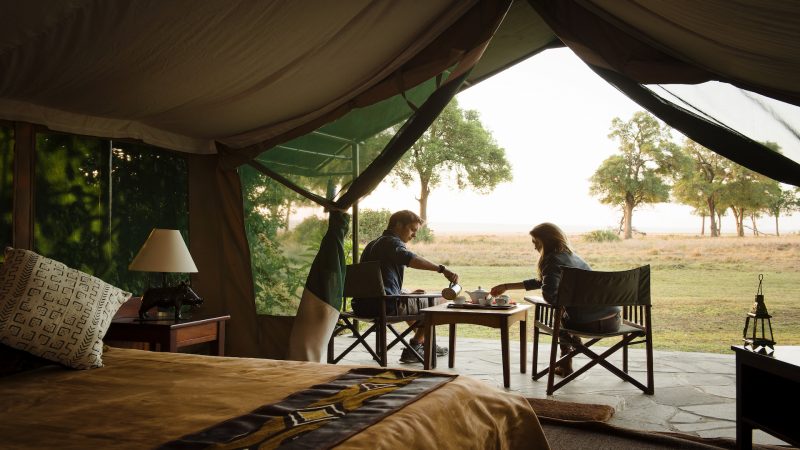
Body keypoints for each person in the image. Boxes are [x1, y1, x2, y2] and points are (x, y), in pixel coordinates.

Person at [490, 222, 620, 376]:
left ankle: (566, 361)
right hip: (613, 321)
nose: (534, 247)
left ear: (546, 241)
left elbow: (550, 295)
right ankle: (574, 345)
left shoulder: (551, 260)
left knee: (559, 314)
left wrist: (547, 299)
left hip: (587, 324)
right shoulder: (572, 256)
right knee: (567, 310)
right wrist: (507, 286)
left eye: (535, 242)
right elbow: (544, 281)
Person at [352, 210, 459, 363]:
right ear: (398, 225)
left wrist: (403, 293)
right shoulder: (391, 242)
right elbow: (411, 259)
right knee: (441, 301)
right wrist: (441, 269)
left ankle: (424, 343)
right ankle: (416, 346)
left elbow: (377, 284)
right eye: (412, 229)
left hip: (362, 306)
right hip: (384, 306)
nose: (414, 234)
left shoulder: (372, 245)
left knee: (411, 295)